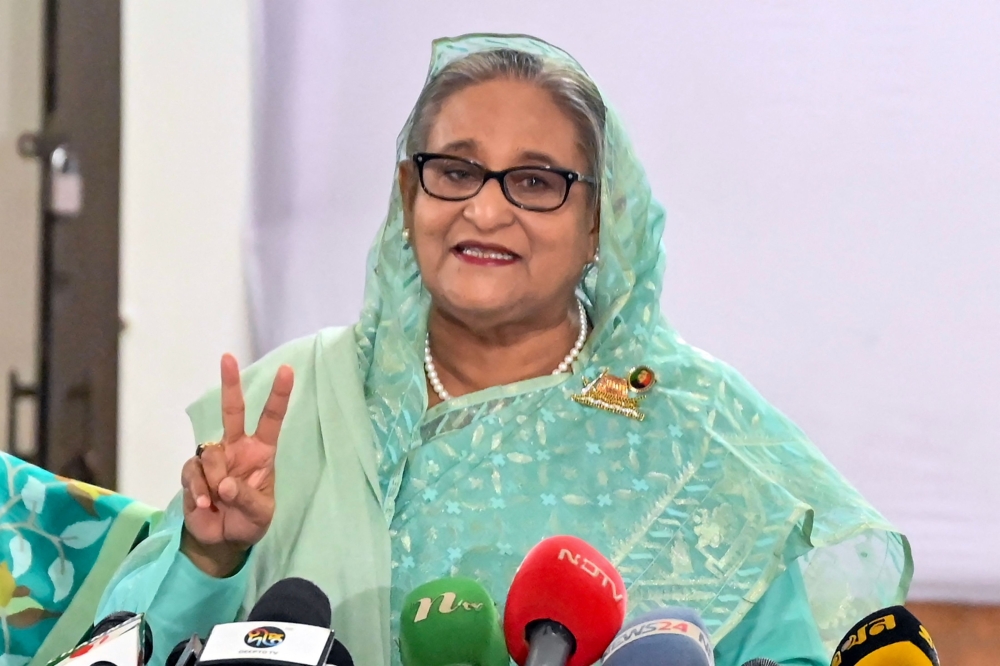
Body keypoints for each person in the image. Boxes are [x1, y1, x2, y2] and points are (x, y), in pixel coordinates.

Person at [96, 34, 911, 666]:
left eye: (535, 181)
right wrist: (212, 553)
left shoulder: (697, 430)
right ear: (410, 194)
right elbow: (125, 644)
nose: (485, 212)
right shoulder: (300, 398)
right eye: (455, 170)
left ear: (599, 223)